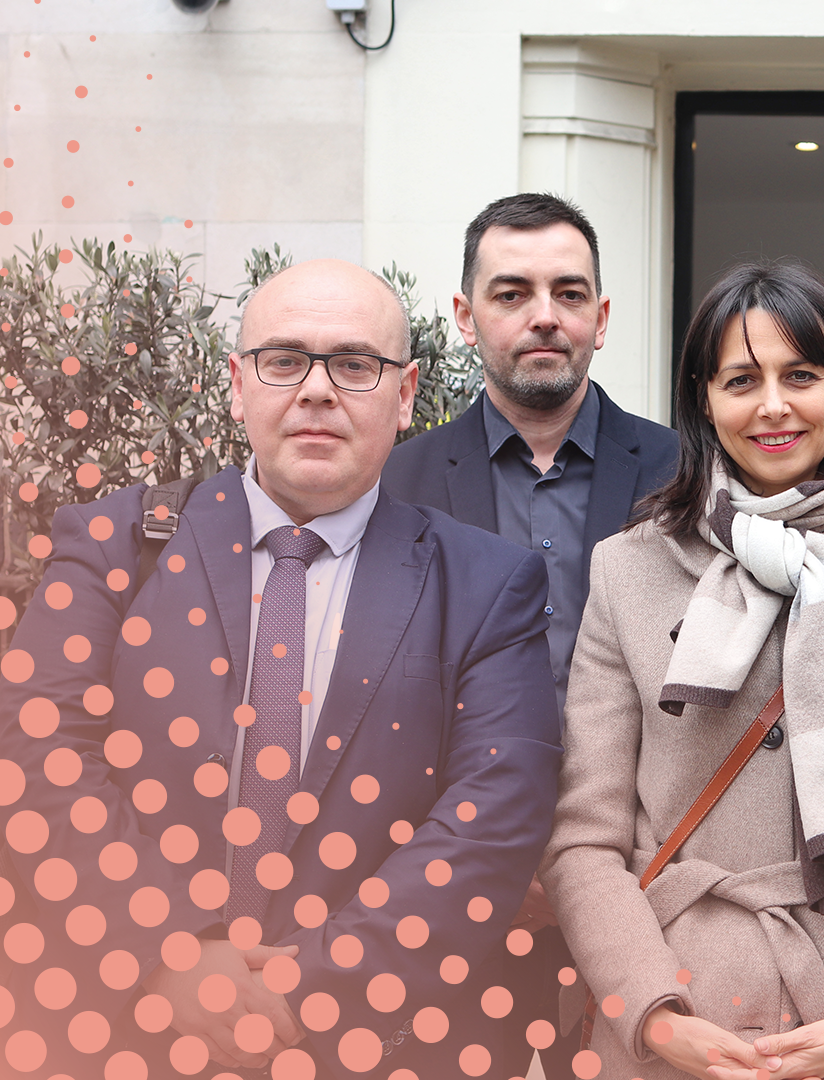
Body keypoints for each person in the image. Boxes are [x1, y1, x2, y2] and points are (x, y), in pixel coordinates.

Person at [0, 259, 562, 1078]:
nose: (318, 390)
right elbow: (34, 755)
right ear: (238, 385)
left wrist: (302, 988)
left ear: (405, 394)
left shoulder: (486, 584)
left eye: (355, 364)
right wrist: (170, 952)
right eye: (285, 360)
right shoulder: (112, 547)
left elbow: (494, 815)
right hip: (121, 1032)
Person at [540, 261, 824, 1080]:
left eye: (801, 375)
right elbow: (585, 838)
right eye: (741, 380)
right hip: (681, 1016)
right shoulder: (627, 569)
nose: (774, 405)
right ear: (703, 400)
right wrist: (652, 1013)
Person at [382, 191, 677, 1080]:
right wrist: (491, 862)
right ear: (466, 316)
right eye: (511, 294)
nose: (544, 316)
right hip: (454, 893)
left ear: (602, 317)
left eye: (568, 293)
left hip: (648, 884)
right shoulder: (396, 482)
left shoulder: (687, 474)